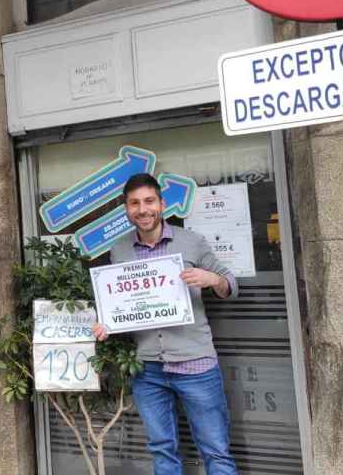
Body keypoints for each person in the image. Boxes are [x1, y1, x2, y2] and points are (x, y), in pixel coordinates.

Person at [91, 173, 239, 475]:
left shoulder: (191, 241)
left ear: (161, 204)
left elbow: (231, 285)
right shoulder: (119, 250)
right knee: (161, 451)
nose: (142, 209)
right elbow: (123, 304)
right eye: (134, 203)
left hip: (196, 365)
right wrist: (107, 324)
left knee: (216, 451)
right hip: (147, 369)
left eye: (149, 201)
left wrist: (212, 279)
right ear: (126, 208)